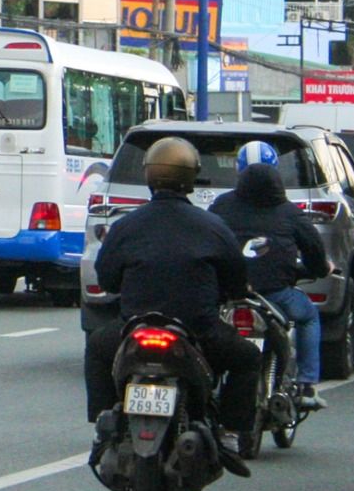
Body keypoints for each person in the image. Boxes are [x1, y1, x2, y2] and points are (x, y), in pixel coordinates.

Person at [84, 136, 259, 467]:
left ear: (150, 175)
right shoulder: (213, 225)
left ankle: (102, 424)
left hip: (135, 328)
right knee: (248, 357)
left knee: (96, 346)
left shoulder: (126, 225)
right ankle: (231, 433)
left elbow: (106, 278)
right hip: (199, 332)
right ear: (190, 176)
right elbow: (236, 280)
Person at [209, 140, 332, 410]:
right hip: (276, 294)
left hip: (229, 294)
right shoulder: (289, 212)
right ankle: (307, 384)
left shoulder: (221, 206)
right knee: (309, 316)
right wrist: (321, 269)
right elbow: (315, 251)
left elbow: (206, 241)